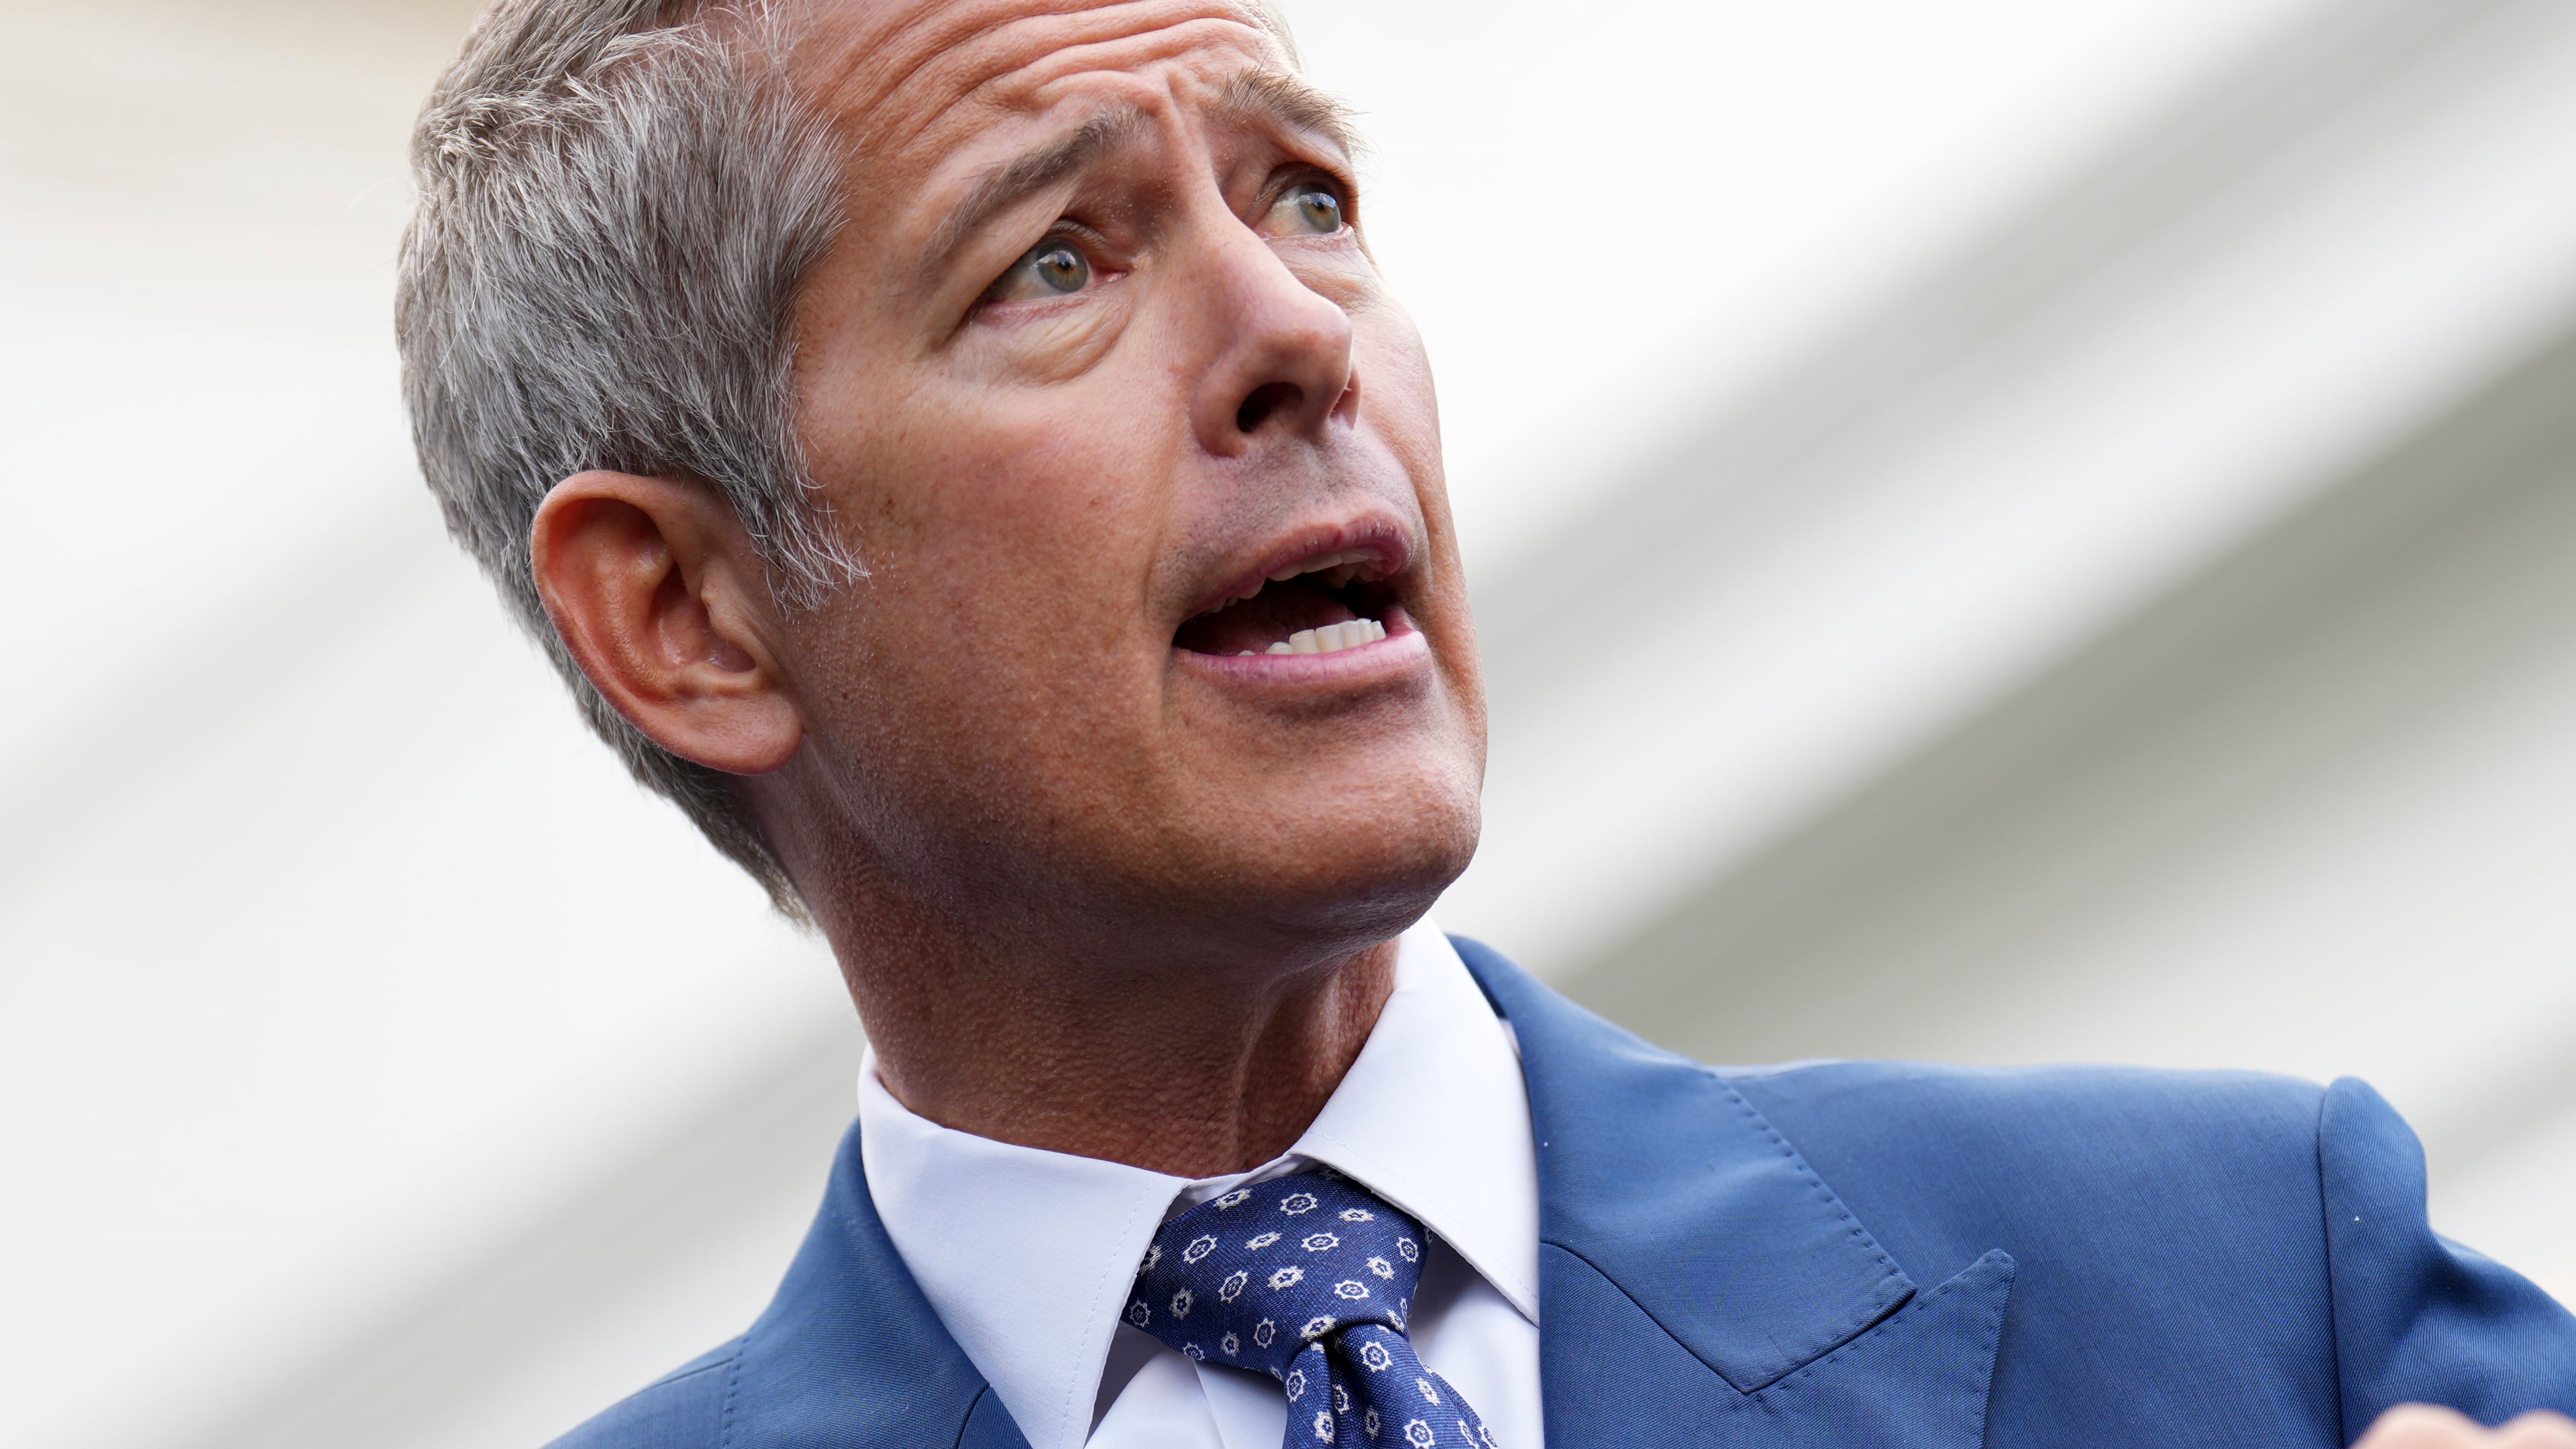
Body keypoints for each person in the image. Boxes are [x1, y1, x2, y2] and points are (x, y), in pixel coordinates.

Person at [393, 1, 2576, 1445]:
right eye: (1056, 261)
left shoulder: (2264, 1282)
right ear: (683, 616)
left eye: (1309, 198)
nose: (1295, 335)